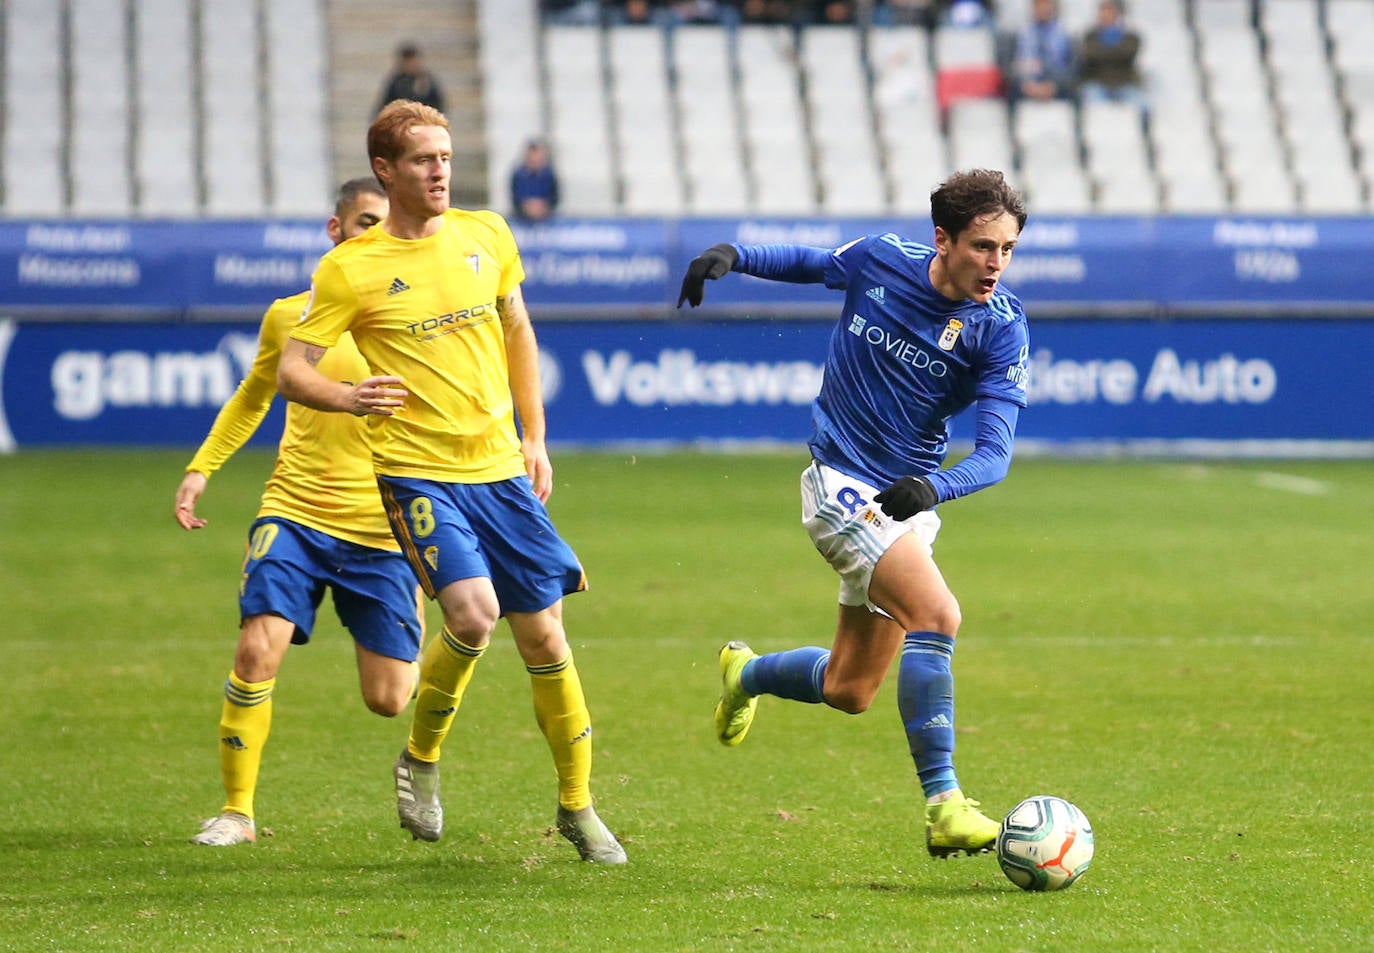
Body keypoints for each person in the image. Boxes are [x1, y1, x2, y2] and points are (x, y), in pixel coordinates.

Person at [277, 99, 626, 865]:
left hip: (500, 470)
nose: (440, 170)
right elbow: (292, 369)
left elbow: (518, 329)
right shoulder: (350, 268)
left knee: (544, 635)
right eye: (423, 159)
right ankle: (422, 758)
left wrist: (535, 437)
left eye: (446, 156)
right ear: (385, 171)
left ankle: (577, 806)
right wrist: (347, 395)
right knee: (472, 614)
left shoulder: (487, 234)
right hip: (417, 473)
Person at [677, 168, 1030, 860]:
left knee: (849, 687)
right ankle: (945, 805)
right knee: (940, 615)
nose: (996, 263)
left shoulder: (1000, 331)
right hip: (839, 483)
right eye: (984, 246)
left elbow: (996, 455)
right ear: (944, 238)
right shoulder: (882, 260)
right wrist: (735, 256)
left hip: (906, 503)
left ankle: (744, 673)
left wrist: (934, 488)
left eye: (1008, 249)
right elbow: (813, 265)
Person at [177, 178, 424, 847]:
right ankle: (236, 810)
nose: (374, 233)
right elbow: (254, 394)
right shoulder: (291, 315)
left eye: (384, 222)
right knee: (258, 647)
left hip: (381, 528)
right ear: (335, 229)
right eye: (363, 221)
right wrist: (202, 468)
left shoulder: (409, 316)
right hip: (295, 511)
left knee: (389, 698)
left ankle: (421, 613)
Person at [1077, 0, 1145, 109]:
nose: (1105, 15)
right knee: (1090, 99)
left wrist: (1102, 49)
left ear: (1118, 13)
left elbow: (1128, 55)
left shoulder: (1131, 37)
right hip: (1098, 84)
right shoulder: (1090, 36)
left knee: (1143, 104)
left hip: (1125, 84)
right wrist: (1116, 50)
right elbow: (1090, 54)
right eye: (1102, 11)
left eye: (1109, 11)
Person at [1010, 0, 1075, 102]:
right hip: (1027, 84)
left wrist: (1053, 86)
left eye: (1046, 5)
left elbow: (1071, 67)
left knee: (1073, 90)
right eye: (1039, 5)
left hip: (1057, 84)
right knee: (1011, 90)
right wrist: (1028, 85)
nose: (1043, 9)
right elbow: (1013, 64)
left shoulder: (1064, 35)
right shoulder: (1021, 34)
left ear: (1053, 8)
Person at [374, 43, 445, 117]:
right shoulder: (396, 81)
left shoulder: (427, 81)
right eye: (407, 61)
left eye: (412, 61)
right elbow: (385, 104)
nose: (410, 65)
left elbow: (438, 105)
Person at [509, 139, 561, 223]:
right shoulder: (519, 176)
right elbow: (515, 198)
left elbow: (555, 197)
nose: (535, 159)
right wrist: (526, 207)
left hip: (547, 220)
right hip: (522, 220)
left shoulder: (549, 175)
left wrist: (544, 207)